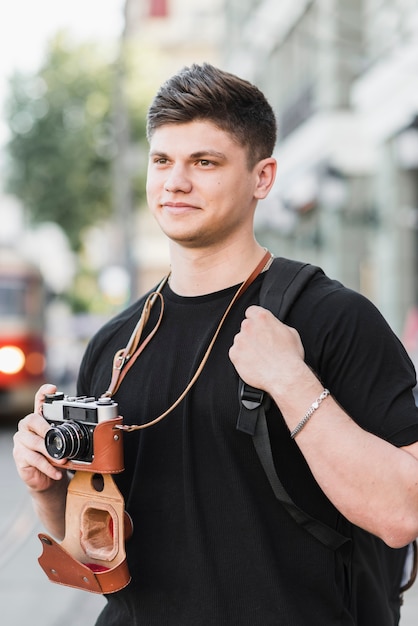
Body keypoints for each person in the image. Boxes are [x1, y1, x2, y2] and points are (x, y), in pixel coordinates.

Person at [13, 63, 418, 625]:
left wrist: (292, 382)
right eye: (162, 161)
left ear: (263, 177)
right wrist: (47, 492)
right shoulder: (115, 345)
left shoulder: (332, 318)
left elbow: (403, 510)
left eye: (204, 162)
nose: (175, 181)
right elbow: (97, 558)